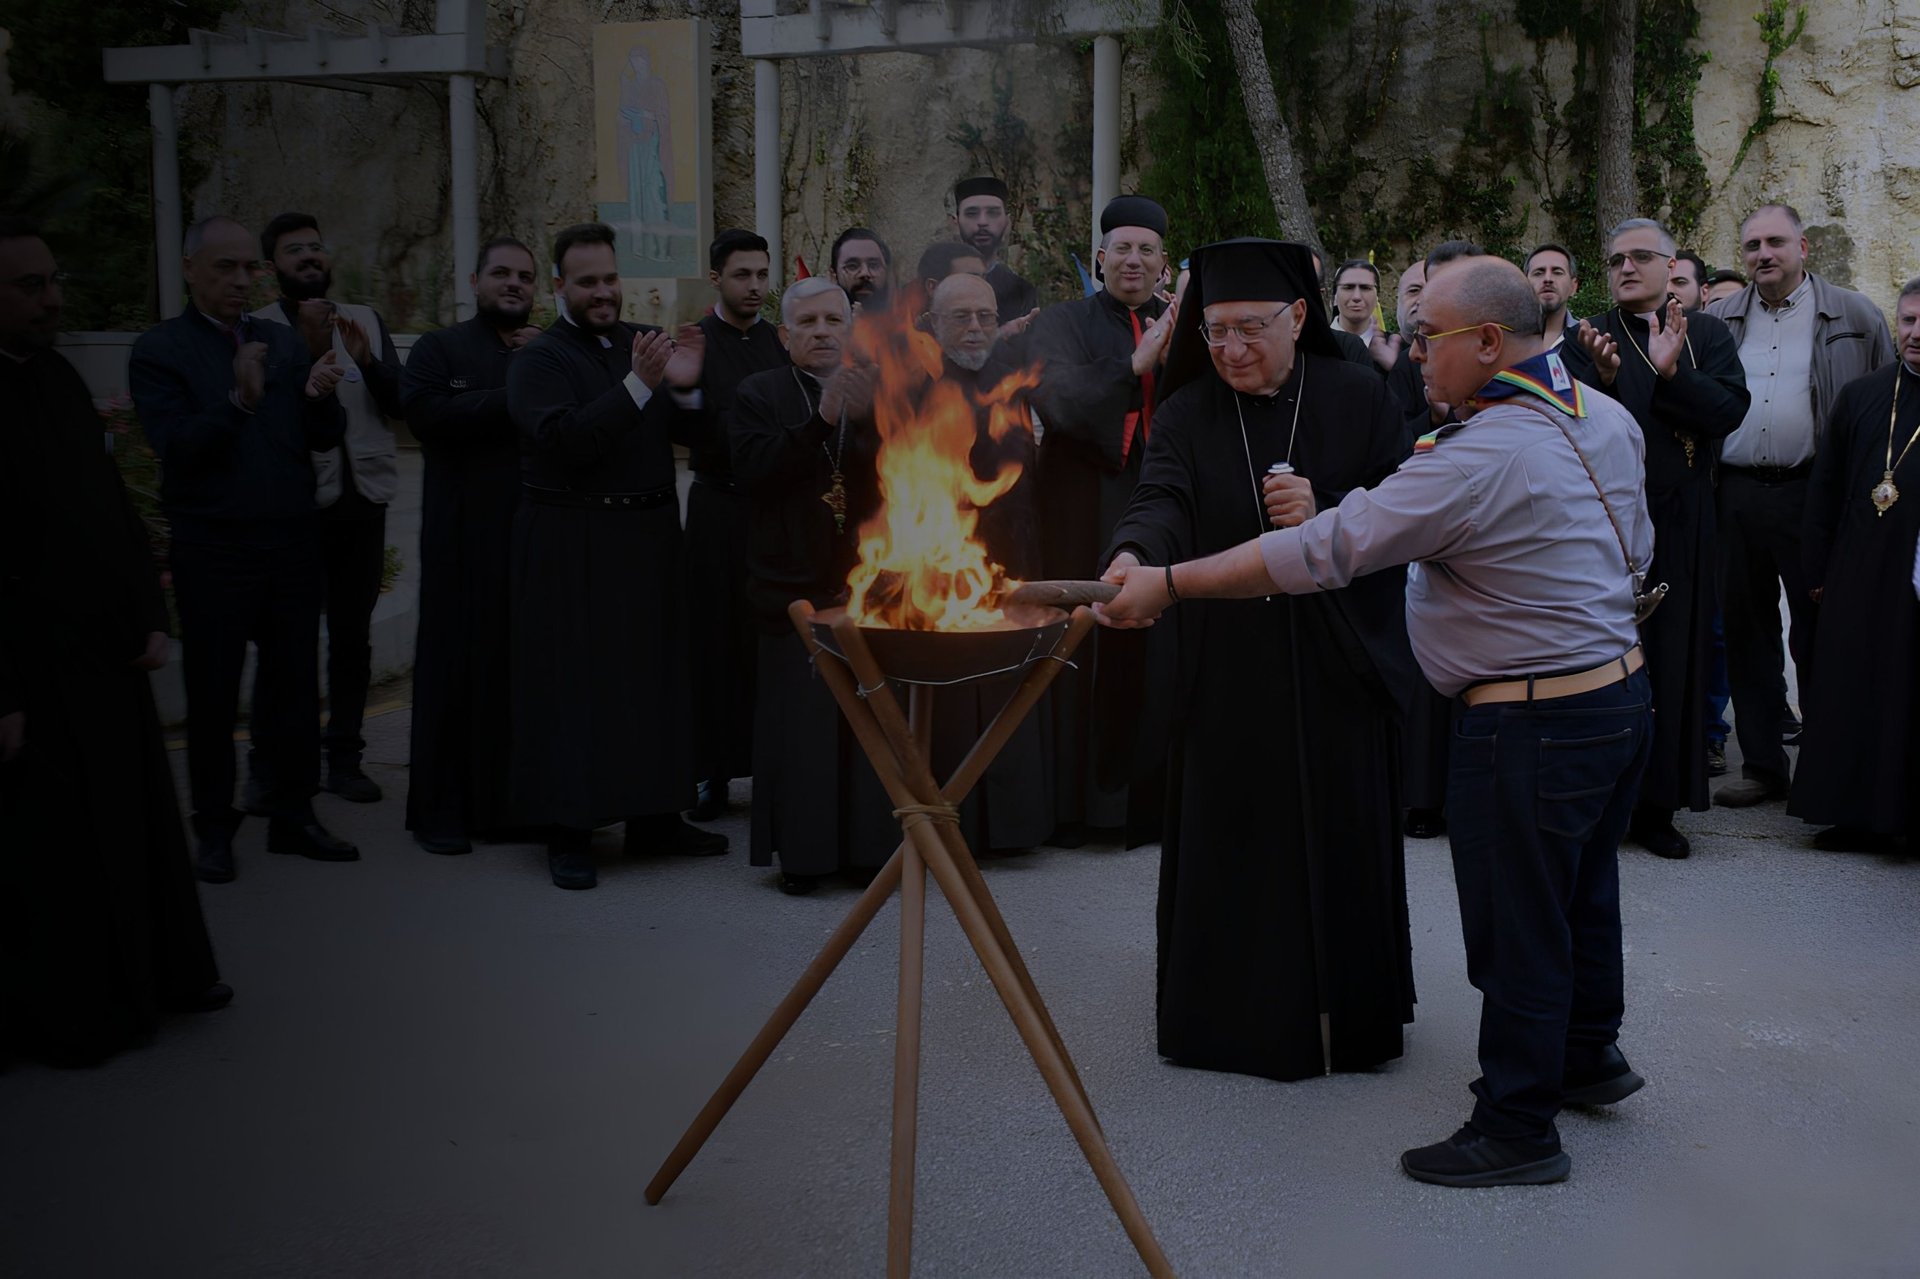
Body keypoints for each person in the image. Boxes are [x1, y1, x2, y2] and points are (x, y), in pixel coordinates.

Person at [1097, 254, 1655, 1189]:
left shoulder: (1470, 451)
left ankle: (1518, 1125)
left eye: (1428, 336)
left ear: (1487, 342)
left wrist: (1172, 583)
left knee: (1518, 924)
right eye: (1214, 331)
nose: (1411, 353)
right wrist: (1138, 550)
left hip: (1529, 719)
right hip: (1613, 694)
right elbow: (1633, 541)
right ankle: (1588, 1054)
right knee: (1580, 895)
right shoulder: (1602, 416)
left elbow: (1329, 550)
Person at [1096, 238, 1416, 1084]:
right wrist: (1132, 553)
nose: (1230, 349)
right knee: (1234, 837)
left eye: (1249, 329)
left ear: (1299, 316)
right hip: (1228, 663)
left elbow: (1406, 509)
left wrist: (1331, 507)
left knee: (1337, 830)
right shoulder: (1190, 412)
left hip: (1333, 657)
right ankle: (1226, 1021)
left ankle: (1349, 1018)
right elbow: (1160, 497)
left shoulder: (1358, 394)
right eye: (1213, 332)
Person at [0, 219, 229, 1066]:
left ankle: (161, 977)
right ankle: (76, 1015)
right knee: (56, 847)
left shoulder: (55, 377)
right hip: (32, 666)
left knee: (132, 824)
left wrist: (146, 610)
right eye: (30, 286)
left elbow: (113, 507)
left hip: (104, 653)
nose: (52, 298)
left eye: (53, 280)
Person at [130, 216, 356, 881]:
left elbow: (320, 437)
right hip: (214, 549)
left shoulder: (281, 342)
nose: (237, 280)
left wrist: (317, 396)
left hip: (289, 542)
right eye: (223, 267)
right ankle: (214, 828)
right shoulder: (161, 350)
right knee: (213, 694)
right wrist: (238, 401)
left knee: (293, 690)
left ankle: (294, 814)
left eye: (246, 269)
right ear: (190, 269)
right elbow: (178, 449)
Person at [506, 222, 726, 889]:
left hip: (649, 535)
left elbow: (694, 436)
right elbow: (564, 440)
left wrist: (684, 387)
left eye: (610, 279)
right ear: (559, 286)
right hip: (575, 542)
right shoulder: (538, 360)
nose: (604, 293)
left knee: (654, 680)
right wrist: (640, 385)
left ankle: (656, 815)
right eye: (588, 282)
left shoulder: (642, 344)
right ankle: (571, 831)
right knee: (577, 688)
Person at [1562, 217, 1750, 859]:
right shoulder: (1584, 341)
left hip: (1681, 520)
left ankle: (1658, 806)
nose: (1625, 268)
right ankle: (1597, 801)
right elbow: (1564, 426)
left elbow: (1728, 413)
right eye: (1615, 260)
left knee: (1672, 664)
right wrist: (1606, 385)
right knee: (1599, 665)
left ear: (1672, 267)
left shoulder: (1705, 334)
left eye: (1640, 256)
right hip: (1600, 527)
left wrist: (1673, 375)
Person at [1706, 203, 1892, 808]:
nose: (1764, 254)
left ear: (1803, 248)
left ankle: (1828, 767)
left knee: (1822, 632)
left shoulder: (1854, 314)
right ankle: (1762, 766)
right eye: (1753, 244)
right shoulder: (1718, 317)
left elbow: (1883, 409)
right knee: (1746, 633)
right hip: (1733, 492)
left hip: (1814, 493)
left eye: (1776, 243)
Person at [1028, 194, 1177, 847]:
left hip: (1161, 503)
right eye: (1123, 248)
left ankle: (1150, 806)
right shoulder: (1062, 321)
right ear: (1101, 256)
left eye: (1147, 249)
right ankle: (1076, 808)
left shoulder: (1188, 325)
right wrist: (1136, 365)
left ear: (1164, 262)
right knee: (1081, 648)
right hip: (1080, 506)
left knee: (1155, 652)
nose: (1134, 260)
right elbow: (1056, 397)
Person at [731, 279, 890, 894]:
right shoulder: (759, 392)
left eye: (834, 320)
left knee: (862, 727)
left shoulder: (871, 385)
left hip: (860, 584)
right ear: (784, 334)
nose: (823, 331)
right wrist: (820, 420)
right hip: (789, 586)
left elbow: (899, 473)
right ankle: (803, 857)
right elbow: (755, 473)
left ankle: (864, 851)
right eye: (809, 322)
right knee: (801, 732)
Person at [249, 213, 404, 804]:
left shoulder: (363, 319)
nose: (310, 258)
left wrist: (368, 361)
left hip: (362, 502)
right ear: (273, 268)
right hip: (295, 508)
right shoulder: (257, 327)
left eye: (316, 247)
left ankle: (345, 756)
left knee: (351, 638)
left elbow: (400, 403)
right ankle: (269, 766)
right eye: (295, 251)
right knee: (284, 640)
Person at [399, 235, 543, 855]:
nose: (514, 284)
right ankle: (439, 813)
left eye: (526, 277)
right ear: (474, 281)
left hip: (525, 539)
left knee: (511, 678)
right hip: (459, 542)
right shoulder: (438, 348)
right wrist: (517, 385)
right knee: (450, 676)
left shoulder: (544, 349)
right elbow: (428, 415)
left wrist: (539, 366)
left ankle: (505, 809)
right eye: (502, 274)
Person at [1787, 278, 1920, 851]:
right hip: (1862, 571)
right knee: (1857, 688)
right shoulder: (1864, 396)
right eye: (1910, 320)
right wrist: (1815, 569)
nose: (1917, 334)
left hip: (1914, 576)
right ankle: (1857, 814)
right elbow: (1827, 488)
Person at [684, 229, 789, 821]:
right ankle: (711, 773)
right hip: (717, 508)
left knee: (766, 641)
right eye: (741, 275)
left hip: (770, 509)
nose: (753, 286)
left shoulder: (781, 342)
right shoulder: (695, 345)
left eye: (760, 275)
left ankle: (770, 769)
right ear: (716, 278)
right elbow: (684, 427)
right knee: (714, 641)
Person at [952, 176, 1038, 326]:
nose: (983, 222)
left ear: (1007, 222)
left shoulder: (1022, 292)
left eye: (993, 213)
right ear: (955, 223)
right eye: (972, 213)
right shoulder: (931, 288)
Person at [1524, 243, 1581, 349]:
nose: (1548, 279)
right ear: (1524, 283)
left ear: (1573, 287)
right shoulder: (1509, 338)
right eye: (1538, 273)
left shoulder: (1587, 340)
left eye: (1558, 272)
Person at [909, 240, 986, 319]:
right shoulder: (908, 328)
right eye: (970, 280)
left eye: (984, 280)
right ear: (933, 287)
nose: (984, 288)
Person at [829, 227, 892, 311]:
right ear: (833, 275)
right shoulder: (818, 320)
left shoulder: (909, 318)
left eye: (873, 265)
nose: (865, 273)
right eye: (852, 266)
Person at [1330, 259, 1381, 346]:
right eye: (1348, 287)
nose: (1356, 297)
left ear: (1377, 297)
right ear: (1335, 296)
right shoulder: (1316, 344)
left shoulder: (1395, 349)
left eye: (1365, 288)